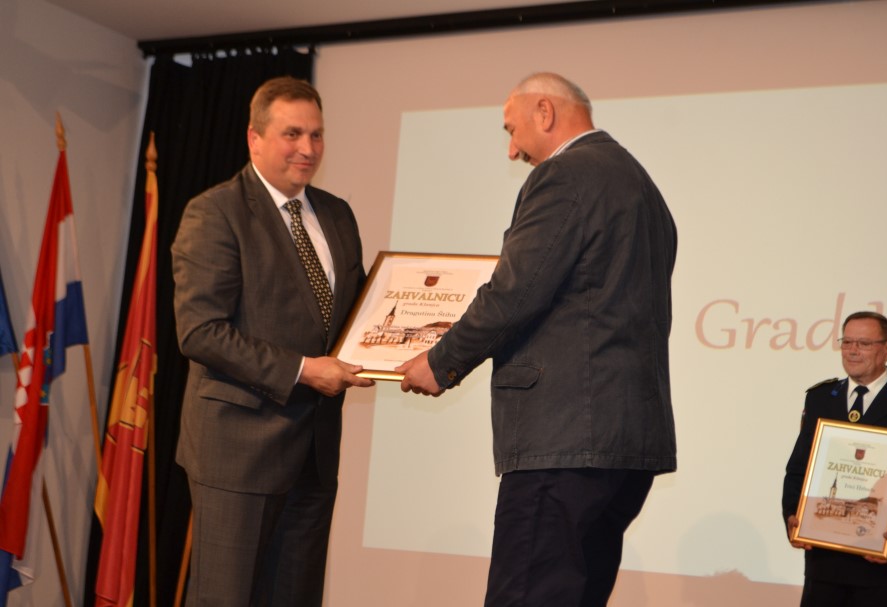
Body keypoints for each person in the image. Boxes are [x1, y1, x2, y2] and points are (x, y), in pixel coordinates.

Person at [396, 72, 678, 606]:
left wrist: (441, 361)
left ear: (544, 112)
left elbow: (515, 291)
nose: (512, 151)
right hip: (626, 447)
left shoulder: (565, 175)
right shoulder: (642, 186)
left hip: (563, 443)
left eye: (512, 129)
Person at [171, 76, 374, 606]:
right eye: (292, 134)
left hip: (314, 452)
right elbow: (201, 331)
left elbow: (354, 313)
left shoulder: (336, 214)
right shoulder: (215, 212)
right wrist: (304, 369)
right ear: (254, 138)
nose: (307, 148)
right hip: (237, 452)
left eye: (316, 134)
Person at [782, 311, 887, 605]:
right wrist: (792, 515)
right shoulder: (820, 397)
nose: (853, 351)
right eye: (847, 342)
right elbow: (799, 468)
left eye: (864, 343)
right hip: (825, 566)